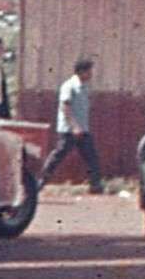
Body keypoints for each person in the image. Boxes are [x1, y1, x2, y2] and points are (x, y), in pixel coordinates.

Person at [41, 58, 104, 195]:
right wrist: (74, 126)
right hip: (69, 130)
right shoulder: (69, 86)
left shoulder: (84, 87)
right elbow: (65, 106)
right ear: (81, 71)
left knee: (91, 156)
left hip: (82, 129)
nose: (91, 74)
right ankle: (40, 182)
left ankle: (95, 186)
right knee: (58, 156)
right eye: (89, 71)